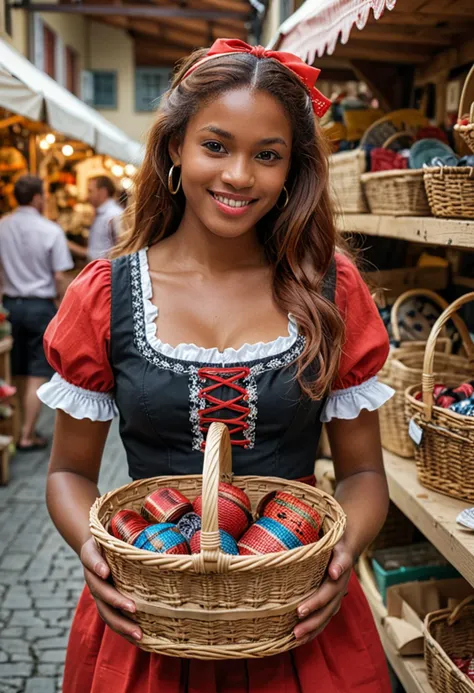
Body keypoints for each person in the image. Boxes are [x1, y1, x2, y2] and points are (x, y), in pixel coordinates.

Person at [38, 39, 395, 693]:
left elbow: (365, 471)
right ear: (176, 147)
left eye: (267, 155)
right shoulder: (105, 295)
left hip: (297, 624)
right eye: (216, 145)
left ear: (292, 170)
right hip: (150, 622)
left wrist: (341, 558)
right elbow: (66, 471)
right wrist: (94, 550)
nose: (238, 175)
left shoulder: (332, 290)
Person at [0, 174, 73, 451]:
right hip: (40, 306)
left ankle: (15, 427)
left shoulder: (2, 226)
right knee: (36, 374)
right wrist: (61, 305)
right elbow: (59, 276)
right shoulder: (50, 230)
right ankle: (27, 434)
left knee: (12, 371)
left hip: (9, 306)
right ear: (37, 198)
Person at [68, 175, 123, 261]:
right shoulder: (103, 213)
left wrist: (69, 245)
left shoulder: (114, 214)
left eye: (90, 191)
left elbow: (120, 251)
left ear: (102, 192)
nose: (88, 196)